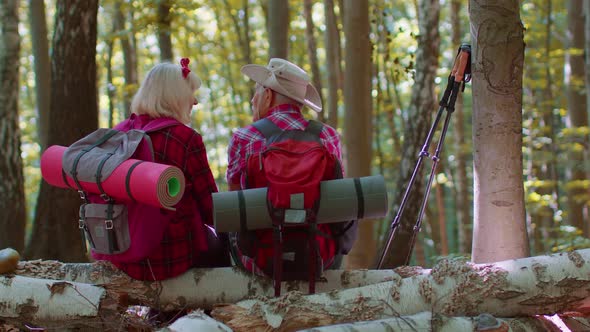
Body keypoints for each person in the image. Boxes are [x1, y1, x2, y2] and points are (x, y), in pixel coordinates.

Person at [226, 58, 357, 277]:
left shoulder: (244, 137)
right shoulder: (328, 135)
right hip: (319, 256)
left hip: (261, 259)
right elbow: (336, 197)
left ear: (267, 95)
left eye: (257, 92)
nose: (252, 99)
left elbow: (234, 199)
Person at [107, 58, 230, 280]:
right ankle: (209, 314)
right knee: (226, 250)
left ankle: (161, 314)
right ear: (176, 96)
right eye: (190, 93)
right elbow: (212, 210)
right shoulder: (185, 139)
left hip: (122, 255)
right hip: (170, 257)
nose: (195, 101)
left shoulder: (119, 134)